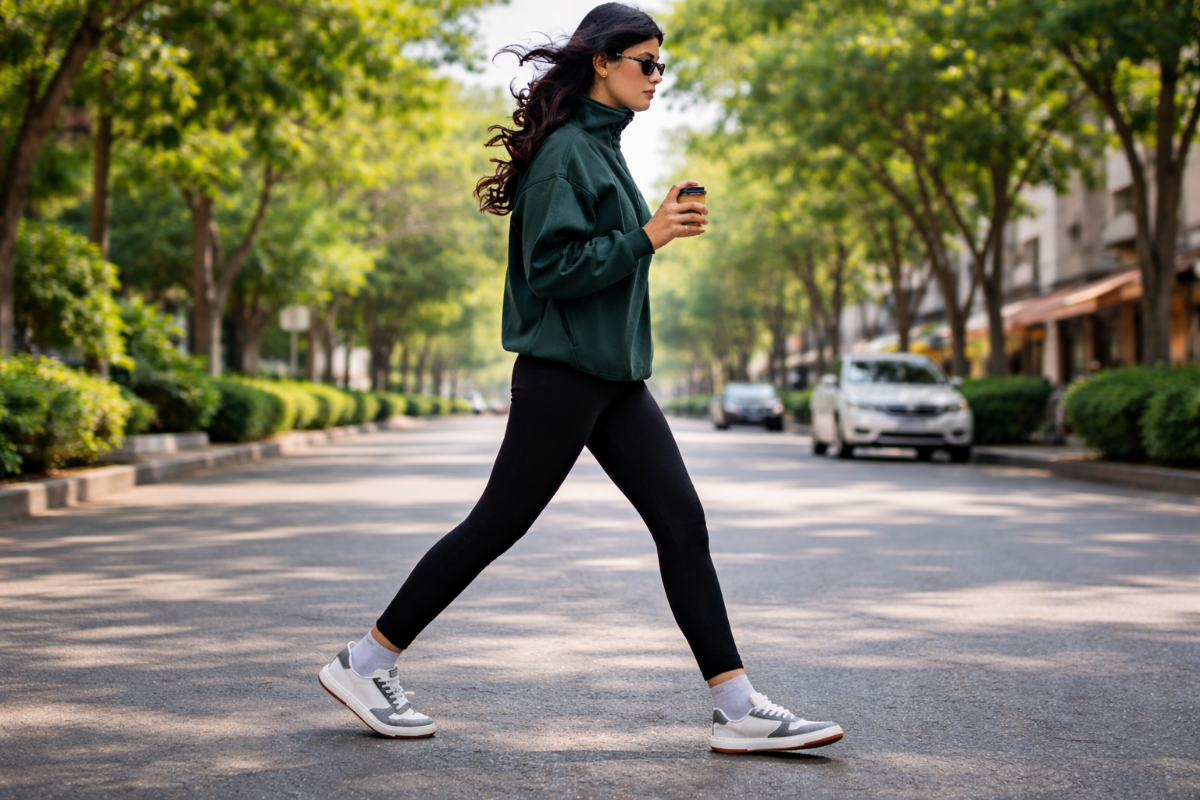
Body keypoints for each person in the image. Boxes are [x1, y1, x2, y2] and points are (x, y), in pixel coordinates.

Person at [318, 2, 844, 754]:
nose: (657, 77)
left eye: (662, 65)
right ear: (602, 61)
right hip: (565, 375)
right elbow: (553, 268)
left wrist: (650, 228)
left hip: (613, 380)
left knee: (681, 523)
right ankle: (364, 663)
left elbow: (606, 249)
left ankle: (737, 709)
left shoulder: (602, 148)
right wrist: (647, 236)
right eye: (646, 63)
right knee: (497, 524)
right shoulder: (569, 152)